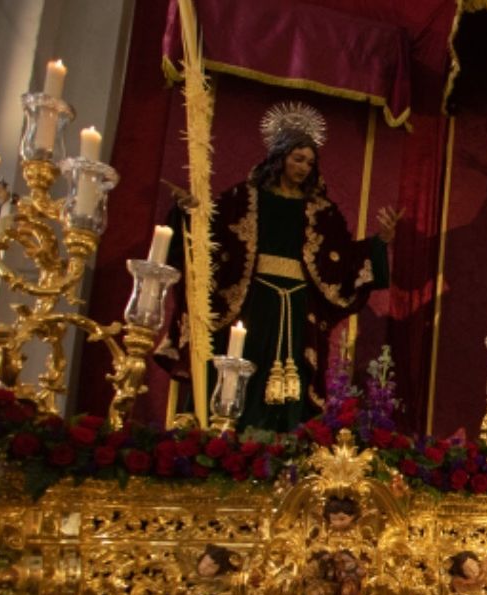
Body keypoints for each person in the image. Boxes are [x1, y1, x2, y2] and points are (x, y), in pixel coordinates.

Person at [162, 102, 401, 432]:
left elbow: (343, 258)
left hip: (298, 305)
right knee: (241, 363)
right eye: (297, 158)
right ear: (280, 156)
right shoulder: (243, 199)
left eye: (309, 162)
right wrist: (188, 215)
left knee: (293, 375)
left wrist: (380, 242)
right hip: (252, 301)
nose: (304, 167)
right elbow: (209, 238)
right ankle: (225, 434)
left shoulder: (321, 211)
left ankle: (282, 443)